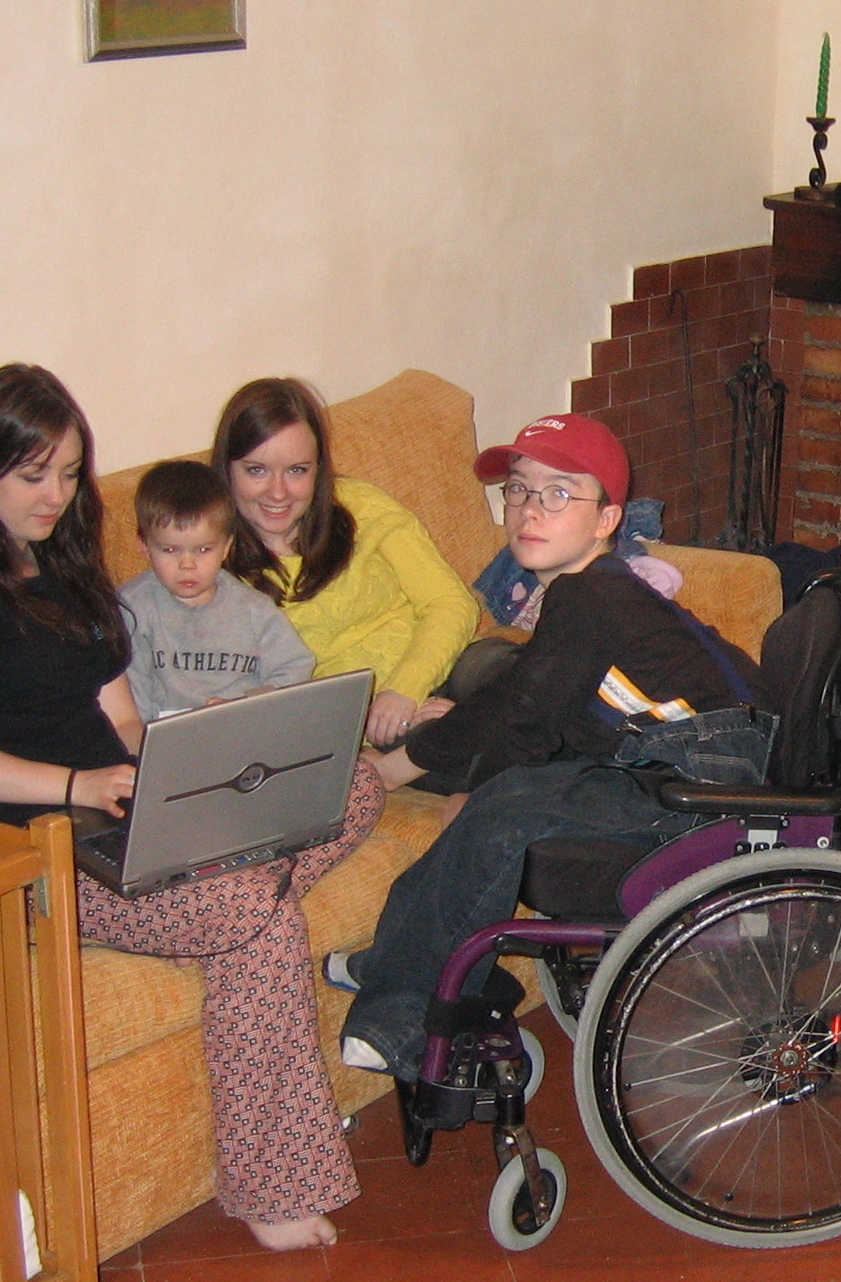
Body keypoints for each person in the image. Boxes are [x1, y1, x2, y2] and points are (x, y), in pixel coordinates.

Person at [0, 365, 382, 1251]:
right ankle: (274, 1187)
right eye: (34, 475)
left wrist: (214, 773)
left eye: (69, 474)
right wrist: (76, 787)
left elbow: (123, 720)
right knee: (251, 912)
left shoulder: (67, 567)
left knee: (356, 779)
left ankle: (233, 863)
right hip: (29, 846)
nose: (55, 495)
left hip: (130, 810)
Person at [330, 413, 771, 1080]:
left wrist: (418, 774)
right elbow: (541, 697)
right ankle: (400, 955)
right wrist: (463, 745)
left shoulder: (589, 597)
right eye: (518, 490)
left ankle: (399, 1021)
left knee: (503, 811)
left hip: (704, 775)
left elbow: (526, 716)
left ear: (606, 520)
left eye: (559, 493)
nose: (530, 511)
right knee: (494, 755)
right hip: (671, 751)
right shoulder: (597, 591)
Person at [213, 377, 481, 749]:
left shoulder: (362, 505)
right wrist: (391, 717)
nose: (278, 492)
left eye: (297, 470)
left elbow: (451, 604)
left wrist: (406, 691)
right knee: (480, 741)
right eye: (256, 470)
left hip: (445, 669)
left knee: (518, 671)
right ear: (227, 469)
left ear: (319, 468)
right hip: (364, 725)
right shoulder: (209, 565)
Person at [120, 459, 314, 719]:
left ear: (226, 547)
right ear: (144, 547)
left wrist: (245, 705)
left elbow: (296, 667)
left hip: (243, 726)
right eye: (169, 550)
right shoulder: (132, 610)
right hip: (170, 737)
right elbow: (134, 702)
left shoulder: (253, 608)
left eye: (203, 550)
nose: (187, 565)